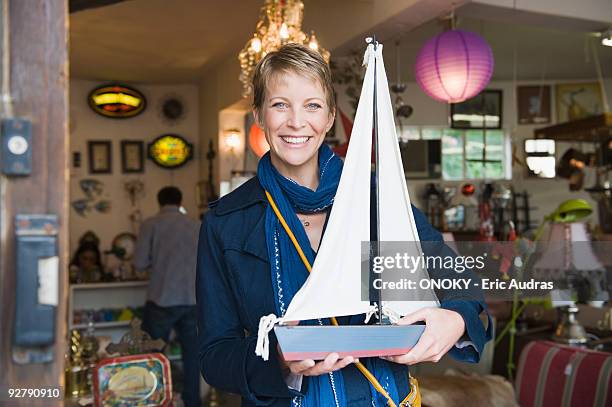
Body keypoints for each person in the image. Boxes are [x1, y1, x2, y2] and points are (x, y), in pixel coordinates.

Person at [197, 44, 491, 407]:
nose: (296, 122)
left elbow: (458, 281)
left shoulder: (376, 201)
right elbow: (214, 355)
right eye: (279, 105)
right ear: (258, 115)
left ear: (330, 117)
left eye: (312, 105)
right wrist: (277, 359)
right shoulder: (227, 223)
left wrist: (456, 319)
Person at [134, 186, 201, 407]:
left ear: (159, 201)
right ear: (180, 200)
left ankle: (156, 401)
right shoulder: (196, 226)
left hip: (162, 299)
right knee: (192, 357)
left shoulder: (150, 225)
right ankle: (193, 402)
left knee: (153, 354)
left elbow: (139, 264)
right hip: (192, 299)